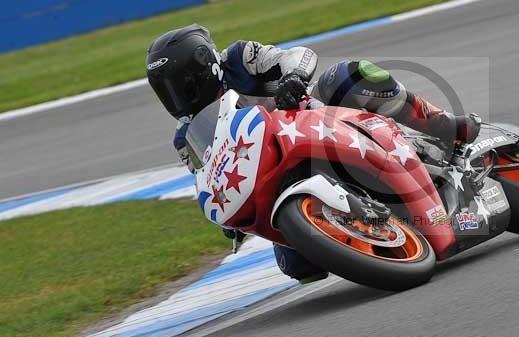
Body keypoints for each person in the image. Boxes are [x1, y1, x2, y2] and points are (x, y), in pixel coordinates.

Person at [146, 24, 479, 282]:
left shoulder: (239, 58)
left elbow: (299, 55)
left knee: (349, 75)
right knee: (299, 265)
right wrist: (229, 219)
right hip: (276, 177)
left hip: (317, 119)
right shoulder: (185, 138)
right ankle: (376, 235)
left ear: (205, 66)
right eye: (165, 91)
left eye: (180, 83)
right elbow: (206, 177)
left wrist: (292, 78)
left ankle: (442, 126)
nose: (175, 97)